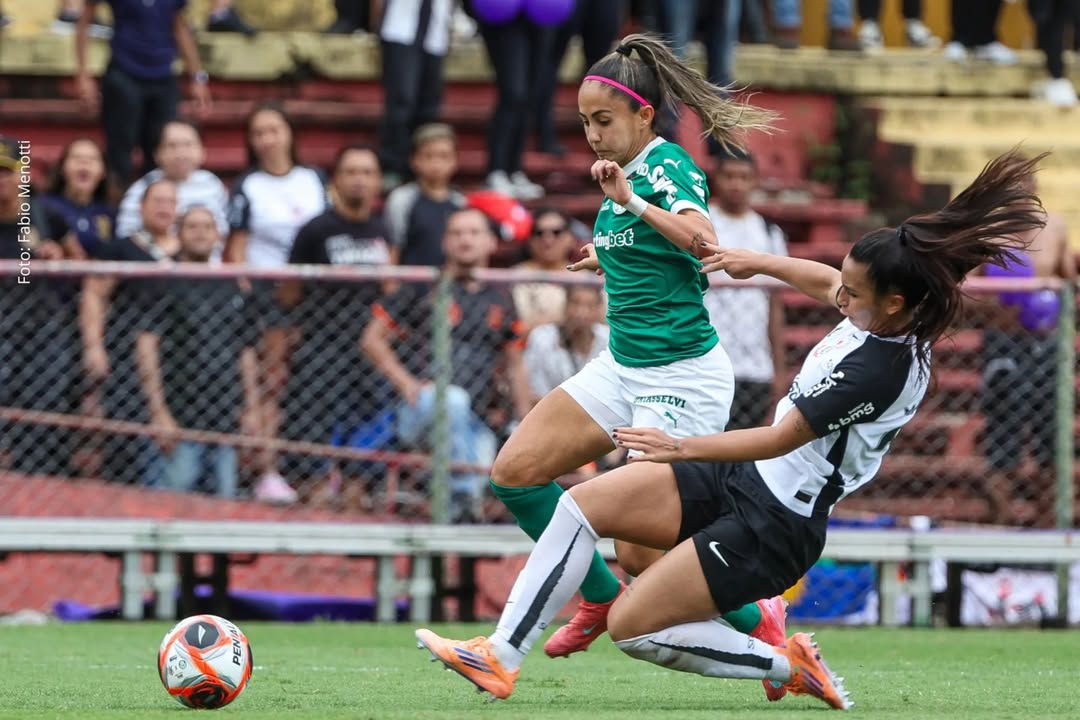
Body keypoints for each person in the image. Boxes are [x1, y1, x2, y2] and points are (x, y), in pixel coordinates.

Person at [415, 149, 1048, 708]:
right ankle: (499, 654)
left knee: (633, 629)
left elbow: (781, 438)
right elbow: (826, 280)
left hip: (777, 521)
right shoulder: (875, 311)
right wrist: (754, 261)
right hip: (743, 477)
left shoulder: (882, 368)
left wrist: (677, 446)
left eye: (855, 294)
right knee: (581, 506)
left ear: (895, 304)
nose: (842, 298)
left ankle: (788, 666)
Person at [483, 32, 788, 674]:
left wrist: (632, 203)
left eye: (603, 120)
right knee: (515, 472)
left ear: (643, 115)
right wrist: (608, 254)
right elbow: (654, 250)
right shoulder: (621, 173)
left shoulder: (665, 165)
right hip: (623, 366)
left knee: (642, 555)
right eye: (584, 122)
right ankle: (598, 599)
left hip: (682, 376)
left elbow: (703, 242)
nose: (592, 135)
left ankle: (757, 618)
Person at [361, 207, 533, 523]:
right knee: (453, 401)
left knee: (482, 465)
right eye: (457, 233)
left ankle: (457, 522)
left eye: (474, 233)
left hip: (475, 419)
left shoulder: (502, 296)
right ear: (445, 242)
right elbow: (372, 338)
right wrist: (406, 384)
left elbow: (514, 364)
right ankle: (463, 495)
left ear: (491, 242)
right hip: (422, 407)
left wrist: (525, 421)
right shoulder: (423, 286)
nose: (465, 240)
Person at [134, 206, 258, 497]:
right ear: (178, 234)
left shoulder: (233, 284)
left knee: (224, 503)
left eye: (207, 227)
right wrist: (159, 412)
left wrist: (251, 408)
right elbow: (146, 344)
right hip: (180, 415)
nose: (200, 233)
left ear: (218, 236)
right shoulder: (165, 281)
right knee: (171, 503)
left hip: (224, 418)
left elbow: (246, 350)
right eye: (192, 226)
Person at [980, 172, 1074, 523]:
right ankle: (1001, 524)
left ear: (1035, 190)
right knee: (1002, 436)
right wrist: (1000, 300)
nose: (1019, 197)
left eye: (1024, 189)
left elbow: (1068, 280)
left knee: (1050, 436)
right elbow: (962, 289)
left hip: (1047, 342)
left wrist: (1044, 291)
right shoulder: (985, 234)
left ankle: (1048, 525)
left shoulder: (1055, 228)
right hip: (1003, 342)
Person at [74, 0, 212, 191]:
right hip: (124, 71)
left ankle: (159, 200)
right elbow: (85, 20)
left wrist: (197, 77)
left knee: (161, 149)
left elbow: (179, 25)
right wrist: (83, 75)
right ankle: (118, 202)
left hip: (164, 74)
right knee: (120, 152)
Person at [704, 147, 787, 429]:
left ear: (754, 181)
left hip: (755, 366)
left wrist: (778, 368)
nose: (736, 184)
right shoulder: (701, 225)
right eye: (729, 176)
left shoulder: (768, 233)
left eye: (744, 177)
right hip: (708, 358)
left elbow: (775, 303)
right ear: (716, 178)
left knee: (744, 444)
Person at [116, 120, 229, 247]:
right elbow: (126, 238)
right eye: (172, 146)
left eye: (188, 145)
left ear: (202, 150)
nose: (181, 154)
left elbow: (223, 232)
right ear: (157, 153)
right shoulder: (141, 189)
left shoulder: (212, 184)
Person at [384, 123, 465, 268]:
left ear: (455, 161)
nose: (436, 163)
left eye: (444, 156)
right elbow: (394, 248)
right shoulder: (402, 199)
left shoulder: (459, 202)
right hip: (410, 280)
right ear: (414, 160)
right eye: (428, 156)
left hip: (449, 281)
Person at [42, 136, 115, 259]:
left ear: (103, 171)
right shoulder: (43, 207)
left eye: (92, 159)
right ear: (62, 168)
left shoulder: (110, 213)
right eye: (76, 158)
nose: (84, 163)